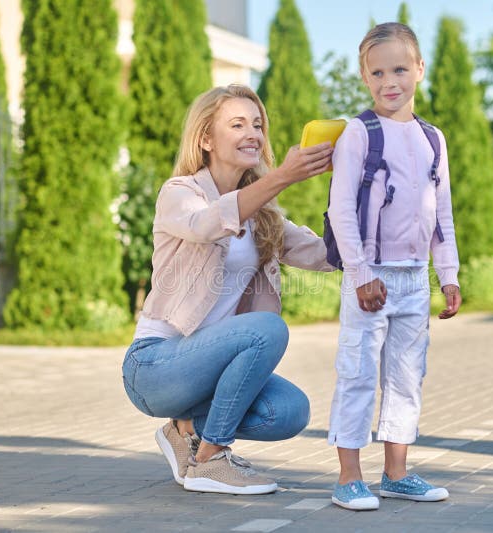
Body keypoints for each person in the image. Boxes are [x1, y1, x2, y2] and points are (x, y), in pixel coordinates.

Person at [122, 84, 334, 496]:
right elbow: (205, 224)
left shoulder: (263, 217)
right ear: (205, 139)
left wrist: (351, 192)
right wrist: (282, 176)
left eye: (257, 124)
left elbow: (325, 255)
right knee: (267, 329)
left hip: (206, 371)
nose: (252, 133)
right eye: (237, 124)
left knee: (289, 411)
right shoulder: (180, 193)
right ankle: (211, 458)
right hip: (153, 368)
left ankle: (185, 430)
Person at [325, 22, 462, 510]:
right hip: (371, 278)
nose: (390, 81)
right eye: (378, 72)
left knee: (407, 378)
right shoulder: (358, 134)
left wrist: (448, 274)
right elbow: (342, 210)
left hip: (413, 279)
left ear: (419, 69)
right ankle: (348, 478)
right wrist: (360, 274)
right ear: (365, 78)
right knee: (358, 373)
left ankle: (396, 473)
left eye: (400, 69)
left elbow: (440, 212)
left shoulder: (433, 138)